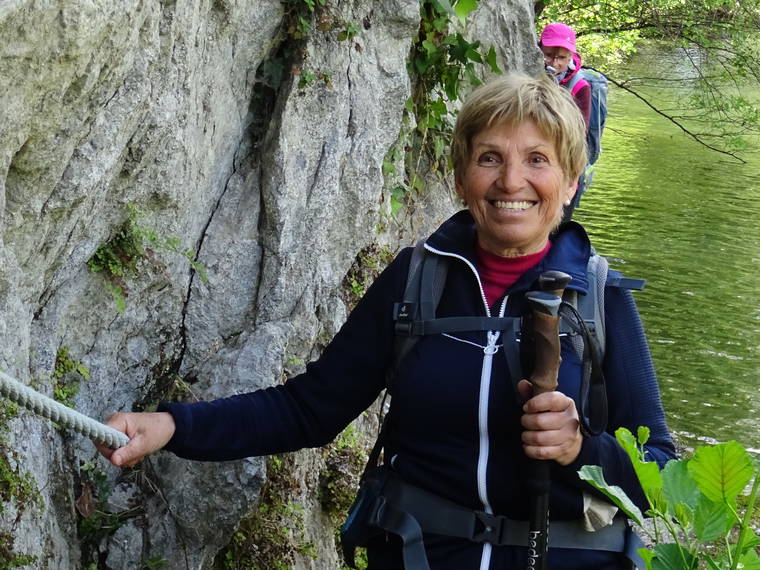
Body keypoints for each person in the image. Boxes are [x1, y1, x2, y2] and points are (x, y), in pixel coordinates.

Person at [98, 73, 675, 570]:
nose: (510, 182)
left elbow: (663, 480)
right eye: (489, 157)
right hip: (419, 554)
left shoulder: (601, 299)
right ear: (461, 175)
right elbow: (311, 408)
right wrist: (173, 427)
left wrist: (582, 449)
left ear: (571, 182)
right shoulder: (417, 280)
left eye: (538, 160)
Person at [539, 22, 591, 129]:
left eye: (561, 57)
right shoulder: (527, 71)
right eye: (548, 55)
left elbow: (582, 129)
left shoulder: (580, 87)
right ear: (539, 50)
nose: (554, 63)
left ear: (570, 57)